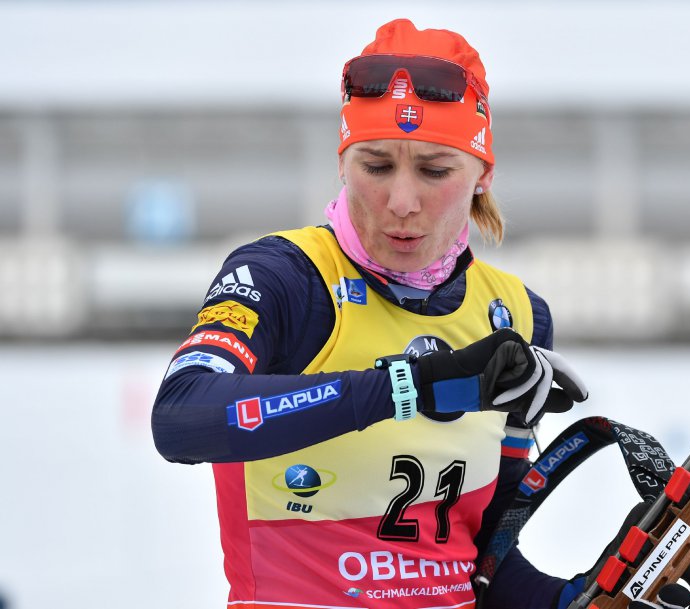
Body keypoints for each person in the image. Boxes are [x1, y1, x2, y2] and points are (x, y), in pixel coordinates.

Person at [152, 18, 596, 609]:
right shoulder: (285, 276)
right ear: (343, 162)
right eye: (376, 166)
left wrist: (580, 599)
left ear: (483, 174)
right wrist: (406, 388)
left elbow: (479, 559)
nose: (401, 202)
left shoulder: (515, 314)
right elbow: (180, 417)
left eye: (435, 171)